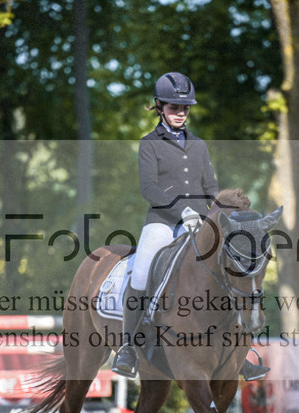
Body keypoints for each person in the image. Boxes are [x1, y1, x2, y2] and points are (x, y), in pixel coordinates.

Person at [111, 72, 269, 381]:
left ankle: (238, 352)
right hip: (162, 221)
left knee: (230, 271)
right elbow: (149, 189)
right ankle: (128, 347)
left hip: (200, 223)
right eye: (173, 107)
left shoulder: (199, 145)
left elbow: (211, 186)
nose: (180, 113)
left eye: (185, 108)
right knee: (141, 271)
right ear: (159, 107)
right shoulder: (150, 144)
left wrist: (221, 215)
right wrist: (180, 211)